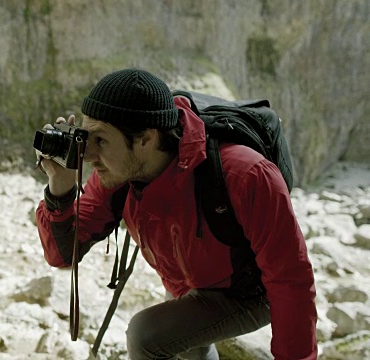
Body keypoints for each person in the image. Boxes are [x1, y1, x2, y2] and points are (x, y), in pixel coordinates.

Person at [35, 68, 317, 360]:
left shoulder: (246, 175)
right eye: (85, 138)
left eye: (101, 141)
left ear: (145, 139)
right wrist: (60, 190)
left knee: (146, 335)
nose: (90, 156)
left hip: (251, 290)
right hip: (187, 282)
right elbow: (62, 255)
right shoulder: (118, 174)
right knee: (188, 348)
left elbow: (290, 282)